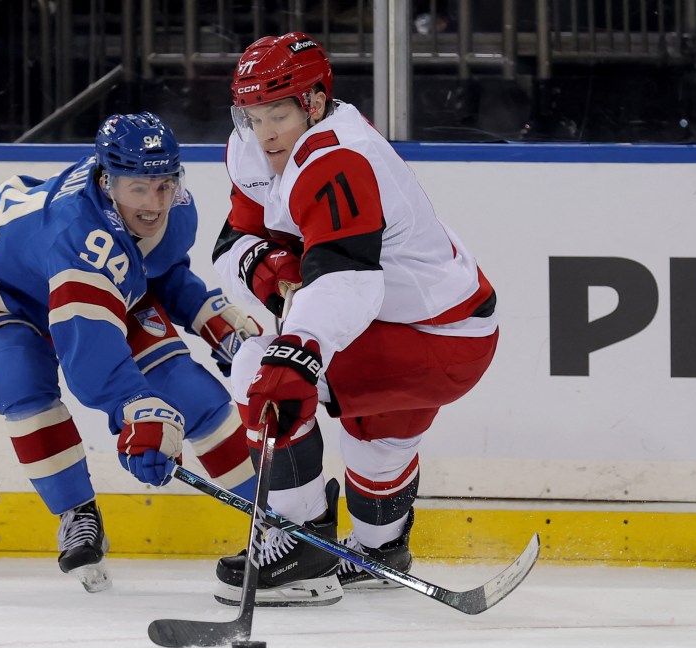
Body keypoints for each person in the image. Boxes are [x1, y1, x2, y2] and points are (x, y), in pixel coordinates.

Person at [211, 33, 499, 606]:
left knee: (257, 369)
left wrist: (300, 350)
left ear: (314, 104)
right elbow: (234, 239)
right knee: (376, 438)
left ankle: (301, 547)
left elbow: (349, 276)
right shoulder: (254, 150)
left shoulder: (337, 156)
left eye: (278, 113)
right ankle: (379, 549)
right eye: (251, 114)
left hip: (429, 341)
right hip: (440, 324)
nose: (264, 132)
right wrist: (273, 273)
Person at [0, 112, 261, 592]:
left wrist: (205, 313)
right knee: (21, 379)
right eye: (139, 189)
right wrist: (135, 407)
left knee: (192, 394)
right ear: (107, 182)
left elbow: (155, 268)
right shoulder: (79, 239)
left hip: (94, 279)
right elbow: (89, 360)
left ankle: (274, 524)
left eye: (164, 184)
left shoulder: (173, 206)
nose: (154, 203)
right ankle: (76, 512)